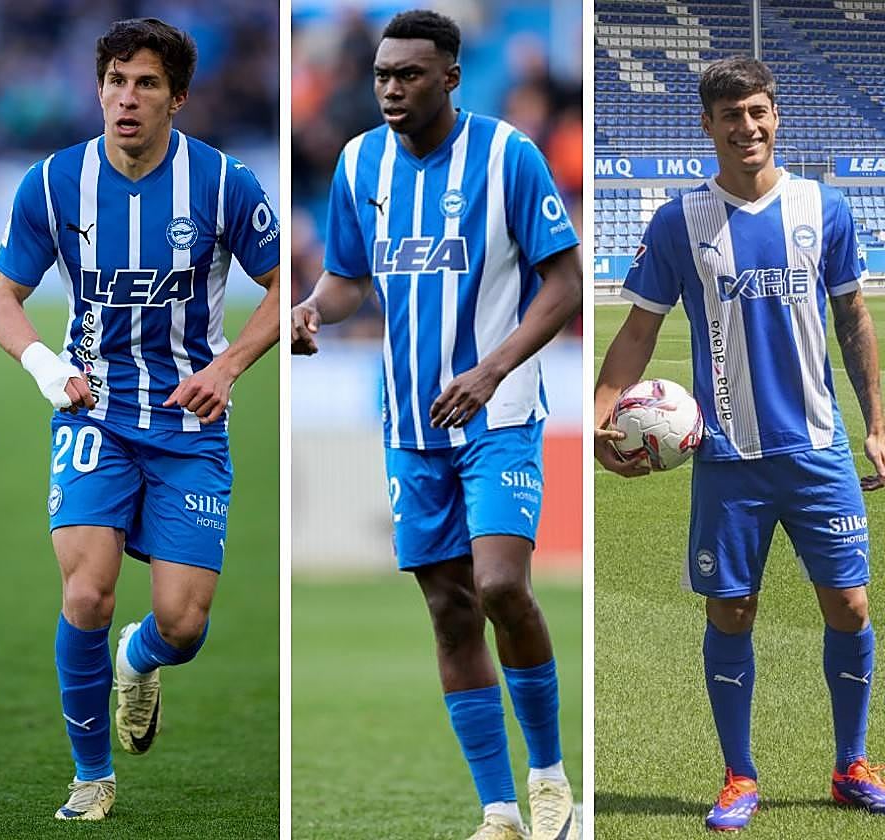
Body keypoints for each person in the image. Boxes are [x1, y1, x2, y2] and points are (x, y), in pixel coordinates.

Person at [291, 10, 581, 840]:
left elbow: (559, 285)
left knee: (499, 586)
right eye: (383, 74)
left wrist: (492, 369)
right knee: (451, 613)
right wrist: (314, 309)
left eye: (409, 75)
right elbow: (350, 279)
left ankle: (551, 778)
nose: (390, 88)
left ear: (451, 78)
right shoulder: (358, 162)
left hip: (502, 410)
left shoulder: (508, 157)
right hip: (409, 423)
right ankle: (499, 810)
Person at [0, 17, 280, 822]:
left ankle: (139, 662)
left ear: (177, 98)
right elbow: (3, 297)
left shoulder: (225, 185)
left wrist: (227, 366)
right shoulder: (51, 183)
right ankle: (91, 775)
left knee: (184, 623)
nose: (127, 97)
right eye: (116, 80)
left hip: (190, 425)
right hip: (96, 412)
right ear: (98, 88)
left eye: (147, 83)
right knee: (86, 592)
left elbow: (288, 284)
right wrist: (45, 365)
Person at [593, 56, 885, 831]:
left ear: (775, 116)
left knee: (851, 606)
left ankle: (852, 763)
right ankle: (738, 776)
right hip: (726, 458)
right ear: (708, 126)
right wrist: (598, 417)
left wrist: (879, 424)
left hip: (817, 451)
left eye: (757, 111)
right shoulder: (678, 222)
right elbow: (639, 329)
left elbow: (855, 321)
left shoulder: (825, 209)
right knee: (732, 614)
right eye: (731, 115)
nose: (746, 127)